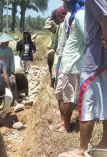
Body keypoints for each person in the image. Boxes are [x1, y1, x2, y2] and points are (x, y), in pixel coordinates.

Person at [60, 0, 107, 156]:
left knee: (87, 102)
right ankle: (105, 142)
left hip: (95, 60)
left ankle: (82, 149)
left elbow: (105, 17)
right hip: (100, 60)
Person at [55, 0, 85, 133]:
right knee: (60, 94)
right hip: (66, 61)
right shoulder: (74, 15)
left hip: (72, 62)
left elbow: (88, 36)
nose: (64, 4)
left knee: (68, 96)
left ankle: (66, 126)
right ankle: (63, 123)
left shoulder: (80, 15)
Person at [0, 33, 19, 106]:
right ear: (2, 42)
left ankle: (15, 99)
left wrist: (12, 72)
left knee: (13, 81)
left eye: (8, 42)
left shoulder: (10, 50)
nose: (7, 43)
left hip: (8, 71)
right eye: (5, 42)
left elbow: (12, 62)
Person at [44, 18, 59, 87]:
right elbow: (51, 41)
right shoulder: (52, 33)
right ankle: (51, 76)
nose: (49, 30)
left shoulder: (60, 30)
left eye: (50, 28)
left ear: (54, 26)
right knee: (49, 57)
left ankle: (55, 79)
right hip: (54, 48)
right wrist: (48, 48)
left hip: (59, 49)